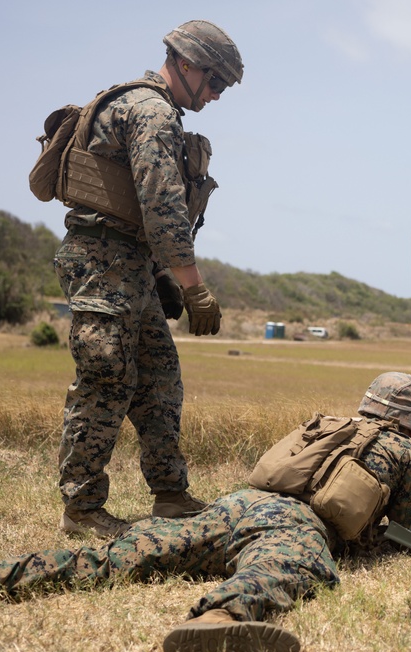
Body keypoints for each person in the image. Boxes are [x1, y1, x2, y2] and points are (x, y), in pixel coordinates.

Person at [0, 372, 411, 652]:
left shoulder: (330, 424)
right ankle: (216, 621)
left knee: (115, 555)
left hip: (233, 504)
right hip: (295, 525)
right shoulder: (405, 454)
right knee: (284, 569)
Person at [53, 20, 244, 537]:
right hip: (102, 262)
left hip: (132, 265)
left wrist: (159, 273)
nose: (217, 95)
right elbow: (163, 207)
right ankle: (82, 509)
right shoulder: (151, 112)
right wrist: (193, 286)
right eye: (215, 83)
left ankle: (171, 495)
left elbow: (145, 210)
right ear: (186, 64)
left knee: (159, 382)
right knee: (106, 378)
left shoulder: (154, 110)